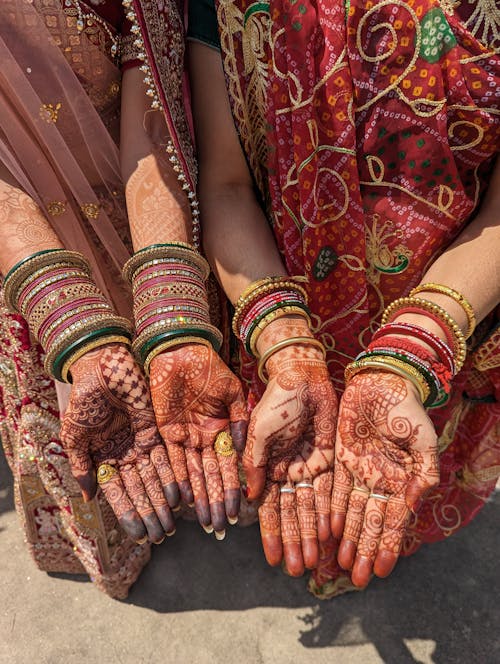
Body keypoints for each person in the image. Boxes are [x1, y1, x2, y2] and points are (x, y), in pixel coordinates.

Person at [187, 0, 500, 596]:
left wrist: (411, 350)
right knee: (293, 463)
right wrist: (284, 344)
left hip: (449, 308)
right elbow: (225, 185)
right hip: (281, 296)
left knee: (398, 475)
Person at [0, 0, 246, 598]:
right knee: (96, 430)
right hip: (22, 251)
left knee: (182, 406)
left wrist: (174, 319)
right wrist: (78, 331)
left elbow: (152, 126)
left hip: (148, 214)